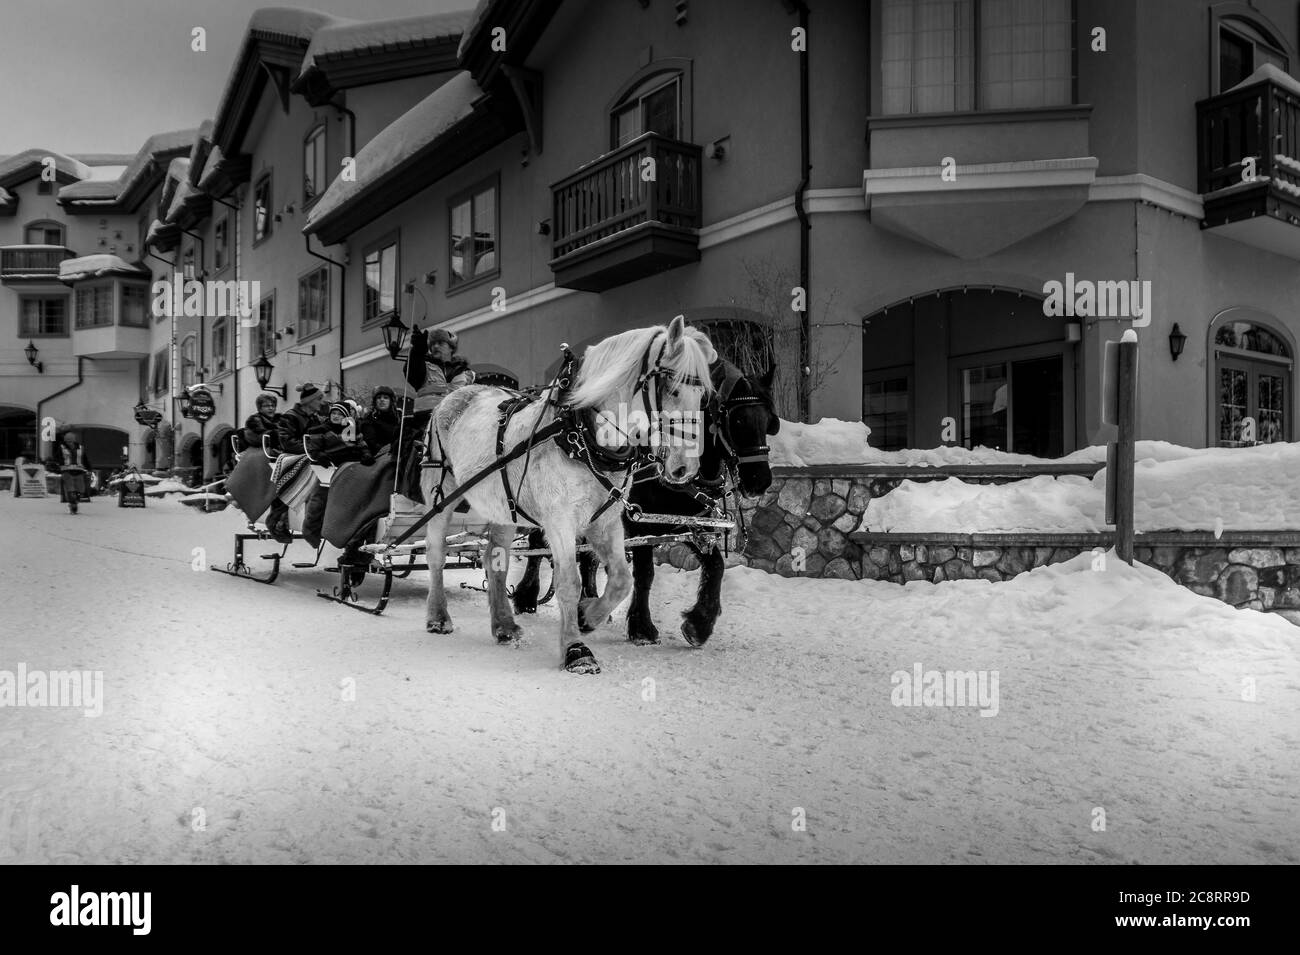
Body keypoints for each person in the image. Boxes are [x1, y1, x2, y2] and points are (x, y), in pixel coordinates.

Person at [400, 328, 474, 498]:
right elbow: (411, 371)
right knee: (419, 452)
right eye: (432, 344)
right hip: (426, 422)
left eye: (440, 343)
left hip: (458, 424)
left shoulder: (467, 374)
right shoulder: (423, 366)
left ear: (451, 348)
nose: (435, 347)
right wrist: (417, 349)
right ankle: (417, 494)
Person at [48, 432, 91, 513]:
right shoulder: (61, 448)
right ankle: (73, 504)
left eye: (71, 441)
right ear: (65, 441)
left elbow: (84, 459)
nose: (69, 443)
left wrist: (89, 467)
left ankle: (75, 501)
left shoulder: (80, 448)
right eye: (67, 441)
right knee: (70, 489)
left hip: (79, 471)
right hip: (66, 470)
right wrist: (59, 463)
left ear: (74, 441)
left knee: (81, 489)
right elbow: (57, 457)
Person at [360, 385, 401, 455]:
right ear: (375, 402)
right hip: (380, 457)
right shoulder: (369, 419)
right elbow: (371, 443)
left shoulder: (399, 417)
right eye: (379, 398)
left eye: (386, 398)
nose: (382, 400)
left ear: (391, 401)